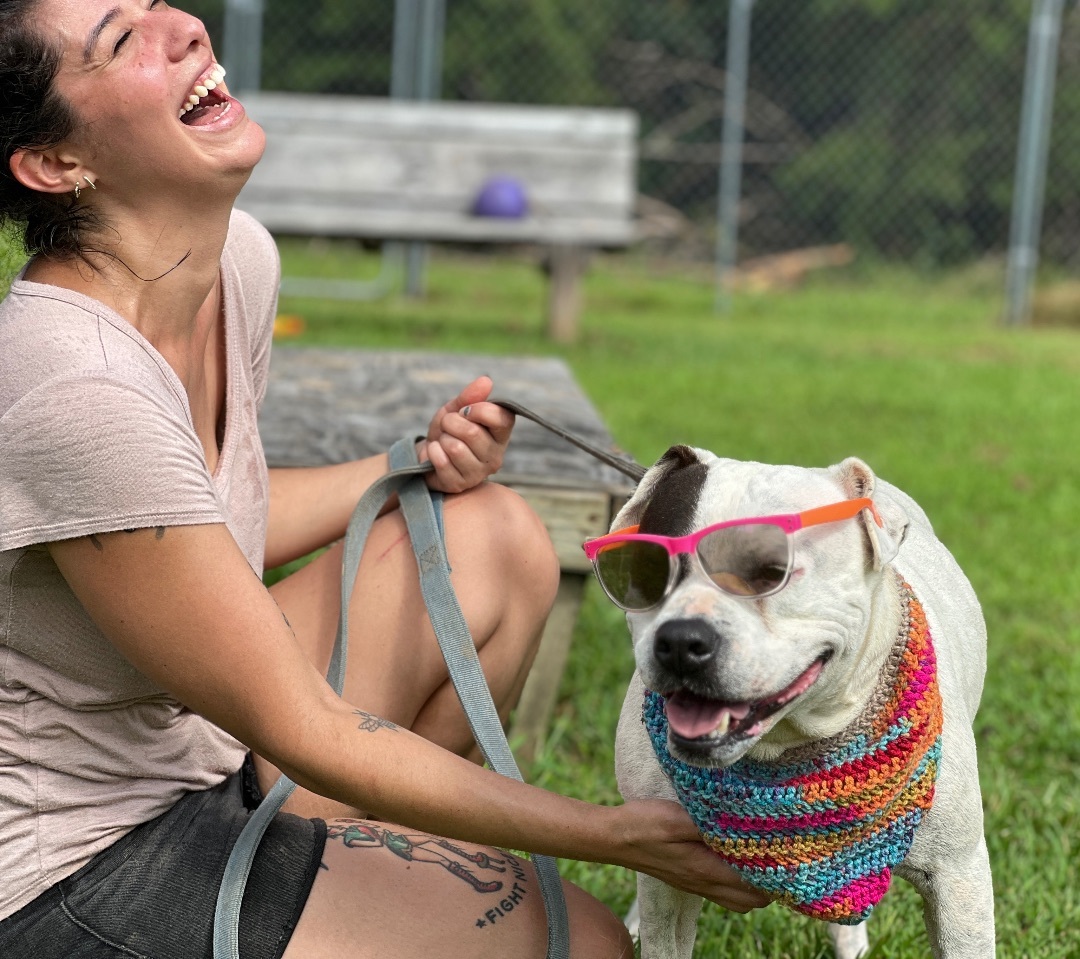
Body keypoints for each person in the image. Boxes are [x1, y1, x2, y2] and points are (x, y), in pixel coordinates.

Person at [0, 1, 769, 956]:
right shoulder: (74, 382)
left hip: (198, 754)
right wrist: (619, 835)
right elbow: (306, 723)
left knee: (490, 536)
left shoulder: (235, 261)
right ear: (56, 164)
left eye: (161, 3)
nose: (184, 29)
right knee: (592, 948)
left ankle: (367, 875)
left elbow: (191, 533)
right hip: (75, 869)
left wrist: (407, 461)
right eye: (122, 41)